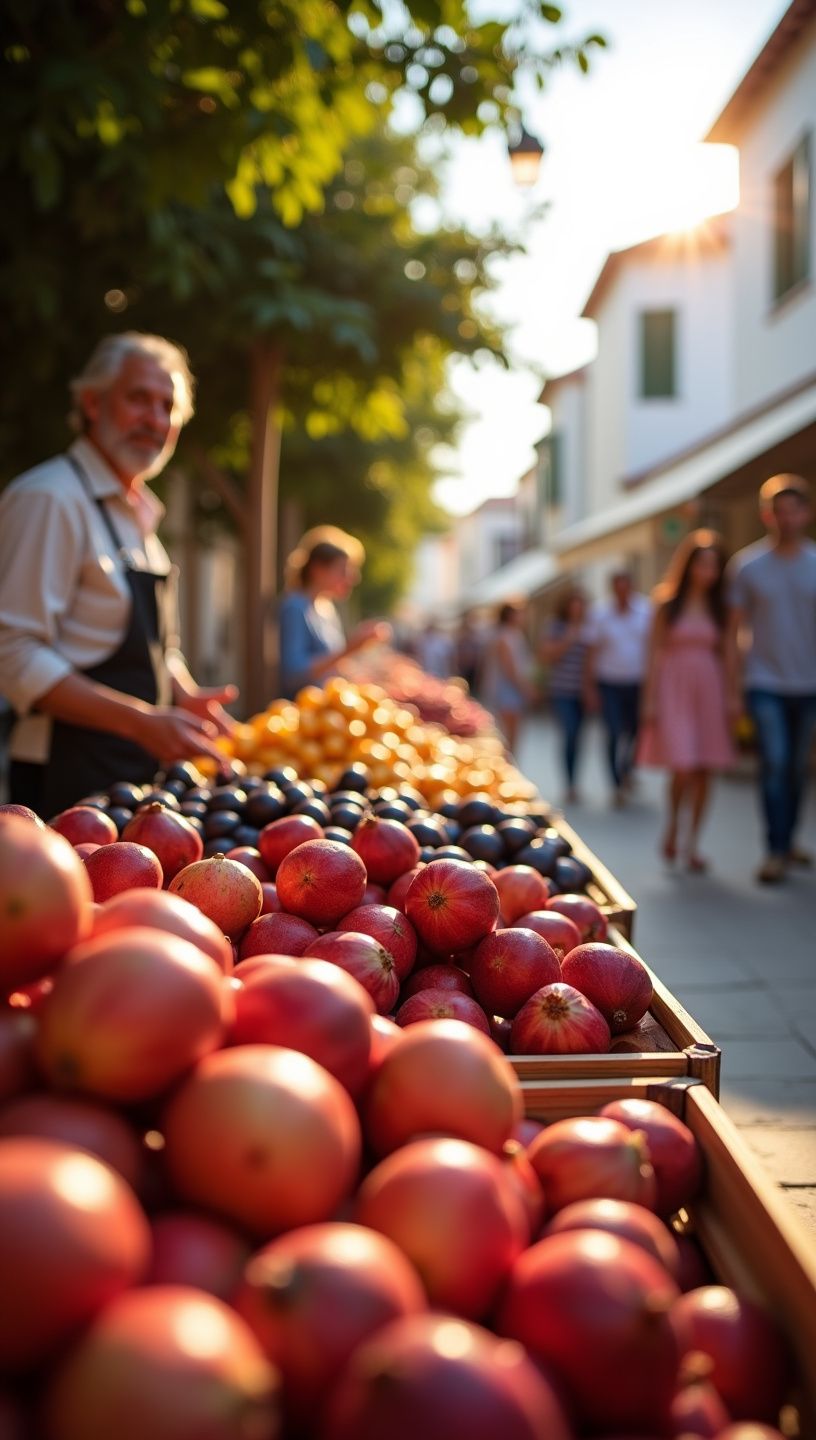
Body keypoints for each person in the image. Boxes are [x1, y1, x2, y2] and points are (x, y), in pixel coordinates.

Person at [0, 332, 237, 818]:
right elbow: (13, 653)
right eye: (138, 398)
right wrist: (141, 721)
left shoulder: (140, 515)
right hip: (63, 780)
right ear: (92, 403)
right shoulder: (49, 498)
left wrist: (183, 694)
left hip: (129, 779)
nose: (155, 419)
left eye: (168, 406)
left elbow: (155, 647)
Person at [727, 474, 816, 884]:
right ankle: (775, 850)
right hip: (763, 681)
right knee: (775, 762)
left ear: (806, 513)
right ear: (767, 515)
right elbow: (733, 632)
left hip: (809, 683)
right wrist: (733, 688)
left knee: (797, 767)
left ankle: (789, 839)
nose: (786, 518)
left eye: (793, 511)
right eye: (778, 511)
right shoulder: (748, 566)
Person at [639, 531, 735, 871]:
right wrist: (649, 700)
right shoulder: (667, 604)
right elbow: (652, 653)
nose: (707, 571)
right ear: (689, 565)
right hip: (673, 688)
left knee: (704, 767)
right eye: (702, 564)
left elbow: (729, 653)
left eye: (714, 565)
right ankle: (673, 826)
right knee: (681, 765)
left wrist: (733, 697)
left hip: (710, 688)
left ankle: (693, 843)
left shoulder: (722, 608)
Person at [277, 527, 390, 699]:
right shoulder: (295, 607)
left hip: (328, 708)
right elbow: (294, 672)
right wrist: (350, 648)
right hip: (302, 710)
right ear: (317, 569)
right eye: (343, 570)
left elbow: (331, 668)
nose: (353, 578)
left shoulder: (326, 608)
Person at [584, 570, 652, 805]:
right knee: (613, 732)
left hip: (637, 682)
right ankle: (615, 782)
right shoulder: (600, 614)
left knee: (636, 730)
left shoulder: (646, 611)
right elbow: (591, 652)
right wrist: (589, 687)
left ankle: (626, 767)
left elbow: (653, 649)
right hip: (609, 683)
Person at [540, 588, 590, 804]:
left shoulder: (589, 626)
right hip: (562, 690)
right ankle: (569, 784)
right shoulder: (556, 626)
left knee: (578, 737)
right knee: (569, 733)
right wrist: (568, 638)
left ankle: (575, 781)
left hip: (583, 691)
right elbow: (547, 655)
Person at [481, 600, 537, 755]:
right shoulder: (505, 637)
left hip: (512, 689)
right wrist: (525, 688)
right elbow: (509, 669)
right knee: (509, 735)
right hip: (507, 690)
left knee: (512, 735)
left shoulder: (514, 635)